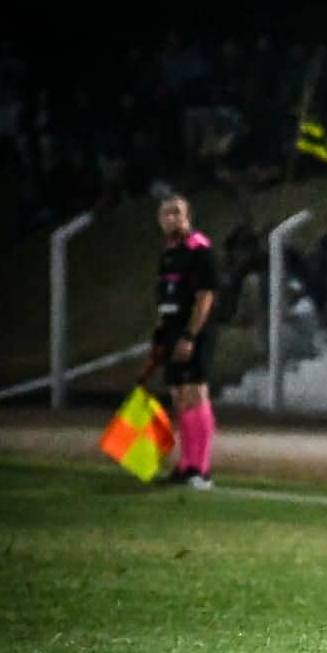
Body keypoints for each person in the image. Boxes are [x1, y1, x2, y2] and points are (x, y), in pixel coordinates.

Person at [137, 195, 219, 489]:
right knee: (179, 397)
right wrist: (160, 337)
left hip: (194, 332)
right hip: (172, 332)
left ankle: (202, 469)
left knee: (196, 393)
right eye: (166, 214)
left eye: (177, 213)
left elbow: (205, 296)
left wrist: (190, 335)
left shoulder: (200, 249)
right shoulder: (168, 253)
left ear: (188, 216)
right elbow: (165, 300)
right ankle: (186, 466)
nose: (171, 218)